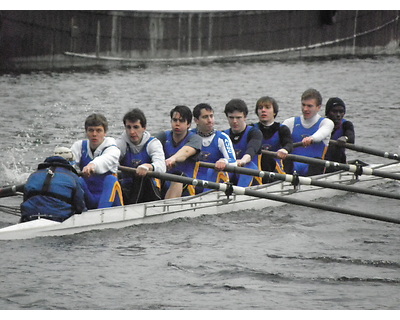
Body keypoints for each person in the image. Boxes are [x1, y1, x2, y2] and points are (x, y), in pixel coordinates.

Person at [71, 113, 123, 209]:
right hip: (89, 198)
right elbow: (69, 164)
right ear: (86, 132)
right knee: (78, 180)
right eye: (91, 130)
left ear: (105, 133)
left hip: (111, 201)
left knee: (111, 179)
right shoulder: (79, 147)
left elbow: (104, 160)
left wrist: (92, 165)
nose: (94, 134)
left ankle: (101, 213)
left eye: (99, 130)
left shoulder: (113, 149)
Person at [20, 147, 86, 223]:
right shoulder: (73, 177)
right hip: (57, 217)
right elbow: (80, 207)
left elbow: (25, 199)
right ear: (69, 161)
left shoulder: (34, 175)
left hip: (29, 217)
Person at [116, 108, 166, 204]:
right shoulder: (120, 143)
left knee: (142, 177)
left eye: (136, 127)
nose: (132, 132)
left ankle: (132, 208)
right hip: (127, 190)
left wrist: (148, 166)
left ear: (144, 128)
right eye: (128, 127)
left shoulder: (153, 143)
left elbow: (162, 166)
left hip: (149, 192)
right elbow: (111, 158)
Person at [282, 88, 334, 176]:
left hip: (314, 168)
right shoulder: (290, 122)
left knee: (317, 161)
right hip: (293, 167)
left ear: (318, 107)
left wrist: (311, 138)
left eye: (309, 106)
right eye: (303, 105)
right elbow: (277, 134)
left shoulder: (326, 123)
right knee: (286, 159)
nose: (305, 109)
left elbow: (320, 135)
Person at [156, 105, 202, 199]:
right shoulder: (163, 136)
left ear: (188, 124)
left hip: (187, 186)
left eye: (181, 121)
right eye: (174, 120)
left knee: (177, 177)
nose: (177, 124)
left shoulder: (195, 139)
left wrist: (173, 158)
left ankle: (166, 208)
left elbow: (186, 152)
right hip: (164, 184)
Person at [191, 103, 236, 191]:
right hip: (193, 179)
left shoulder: (222, 138)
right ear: (196, 120)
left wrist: (224, 161)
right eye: (205, 117)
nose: (210, 120)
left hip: (213, 180)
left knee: (212, 171)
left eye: (211, 116)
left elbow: (233, 161)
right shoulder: (189, 136)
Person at [252, 96, 293, 182]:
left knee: (267, 158)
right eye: (260, 108)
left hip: (277, 168)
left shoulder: (282, 129)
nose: (263, 110)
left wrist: (285, 150)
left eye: (267, 107)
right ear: (257, 112)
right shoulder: (251, 129)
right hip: (257, 167)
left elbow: (289, 144)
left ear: (274, 112)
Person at [223, 98, 263, 187]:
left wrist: (243, 161)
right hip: (231, 174)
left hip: (252, 176)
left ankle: (240, 196)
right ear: (227, 117)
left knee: (248, 165)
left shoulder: (255, 133)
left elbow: (251, 150)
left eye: (238, 117)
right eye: (231, 117)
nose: (234, 121)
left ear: (245, 117)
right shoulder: (223, 135)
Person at [324, 97, 355, 171]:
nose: (338, 115)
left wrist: (345, 138)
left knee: (336, 147)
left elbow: (351, 138)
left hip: (338, 163)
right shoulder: (321, 124)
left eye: (341, 112)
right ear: (328, 113)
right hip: (320, 162)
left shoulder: (346, 124)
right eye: (334, 111)